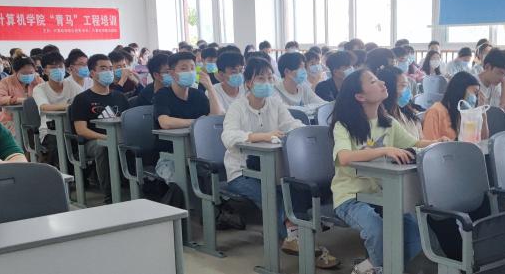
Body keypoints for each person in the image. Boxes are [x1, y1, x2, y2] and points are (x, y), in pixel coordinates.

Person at [220, 58, 340, 268]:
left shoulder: (274, 103)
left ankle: (295, 239)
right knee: (273, 198)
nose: (266, 82)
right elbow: (228, 136)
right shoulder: (238, 107)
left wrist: (304, 132)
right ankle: (304, 245)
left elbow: (290, 123)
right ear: (248, 83)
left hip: (273, 170)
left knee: (295, 192)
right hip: (241, 171)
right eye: (260, 78)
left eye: (269, 78)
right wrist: (261, 136)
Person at [330, 69, 438, 274]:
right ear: (360, 96)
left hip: (381, 194)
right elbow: (344, 157)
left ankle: (370, 267)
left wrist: (438, 142)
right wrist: (385, 150)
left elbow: (414, 143)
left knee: (414, 233)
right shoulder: (343, 125)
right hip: (350, 196)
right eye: (373, 81)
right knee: (376, 229)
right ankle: (380, 268)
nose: (382, 83)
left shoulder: (388, 122)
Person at [70, 54, 132, 204]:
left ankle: (137, 186)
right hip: (93, 141)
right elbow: (81, 130)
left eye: (110, 69)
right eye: (103, 69)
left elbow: (128, 123)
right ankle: (110, 195)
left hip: (119, 138)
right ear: (92, 73)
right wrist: (107, 138)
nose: (109, 72)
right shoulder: (82, 99)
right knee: (105, 148)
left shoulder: (120, 97)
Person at [153, 52, 221, 129]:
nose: (190, 72)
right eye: (183, 69)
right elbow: (165, 123)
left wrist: (210, 88)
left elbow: (215, 118)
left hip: (198, 136)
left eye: (192, 68)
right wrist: (199, 122)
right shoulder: (162, 94)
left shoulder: (198, 94)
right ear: (172, 73)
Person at [30, 52, 81, 155]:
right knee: (61, 146)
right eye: (53, 67)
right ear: (45, 71)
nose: (58, 70)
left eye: (60, 66)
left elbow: (83, 101)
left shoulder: (71, 84)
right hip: (50, 131)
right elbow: (44, 107)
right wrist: (70, 106)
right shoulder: (39, 88)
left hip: (72, 129)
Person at [422, 71, 480, 141]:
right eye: (475, 92)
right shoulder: (435, 112)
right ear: (460, 90)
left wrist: (482, 116)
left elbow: (475, 140)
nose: (475, 98)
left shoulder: (464, 113)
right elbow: (430, 144)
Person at [0, 57, 44, 131]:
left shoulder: (37, 80)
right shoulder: (6, 81)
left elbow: (46, 96)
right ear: (15, 71)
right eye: (24, 73)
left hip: (35, 119)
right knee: (18, 133)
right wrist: (17, 100)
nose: (28, 75)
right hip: (11, 120)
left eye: (31, 73)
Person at [375, 67, 423, 138]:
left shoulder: (407, 111)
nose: (407, 90)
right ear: (389, 88)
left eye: (407, 86)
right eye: (403, 86)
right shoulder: (382, 119)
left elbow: (420, 139)